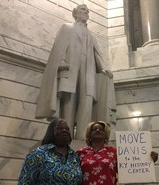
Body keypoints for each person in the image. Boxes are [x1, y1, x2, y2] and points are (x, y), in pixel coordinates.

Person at [35, 4, 116, 140]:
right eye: (83, 10)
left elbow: (98, 56)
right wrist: (60, 62)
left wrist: (103, 68)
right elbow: (58, 49)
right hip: (69, 72)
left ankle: (82, 139)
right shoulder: (67, 28)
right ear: (75, 13)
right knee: (68, 107)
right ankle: (67, 139)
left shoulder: (92, 36)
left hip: (88, 73)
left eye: (87, 11)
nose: (86, 13)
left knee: (86, 105)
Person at [77, 121, 158, 185]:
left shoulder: (115, 152)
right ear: (89, 134)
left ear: (106, 134)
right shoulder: (80, 153)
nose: (98, 130)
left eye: (101, 129)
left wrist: (147, 160)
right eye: (94, 129)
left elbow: (128, 168)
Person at [12, 119, 82, 185]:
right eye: (59, 128)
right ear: (51, 132)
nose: (64, 130)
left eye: (67, 129)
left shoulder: (74, 157)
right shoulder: (38, 154)